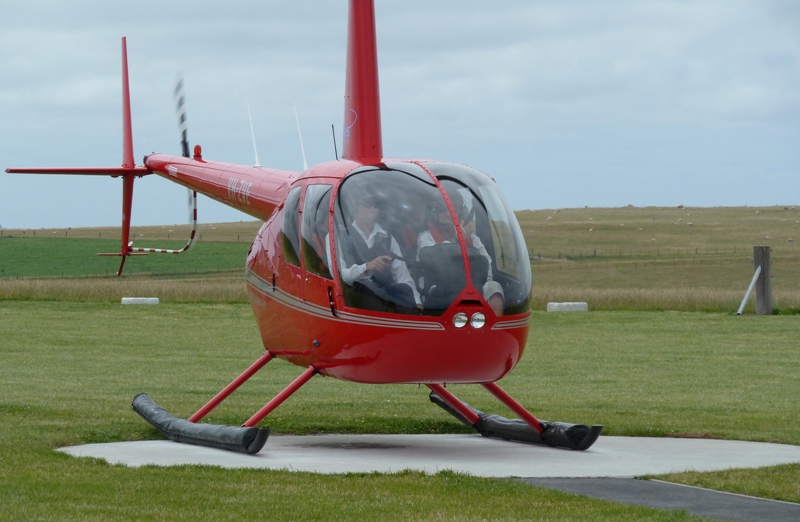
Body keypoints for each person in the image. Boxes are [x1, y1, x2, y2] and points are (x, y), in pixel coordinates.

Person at [328, 192, 423, 314]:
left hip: (385, 296)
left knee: (404, 289)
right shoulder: (338, 236)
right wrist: (366, 267)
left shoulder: (388, 237)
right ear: (356, 206)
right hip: (355, 299)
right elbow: (338, 276)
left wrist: (417, 302)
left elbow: (403, 277)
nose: (373, 209)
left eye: (376, 205)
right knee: (365, 289)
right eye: (368, 204)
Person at [417, 191, 504, 316]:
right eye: (442, 209)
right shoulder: (426, 237)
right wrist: (457, 239)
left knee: (494, 288)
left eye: (454, 209)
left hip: (472, 287)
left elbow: (486, 265)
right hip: (437, 289)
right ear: (434, 211)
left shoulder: (473, 239)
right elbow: (433, 262)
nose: (448, 213)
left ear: (460, 213)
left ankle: (494, 327)